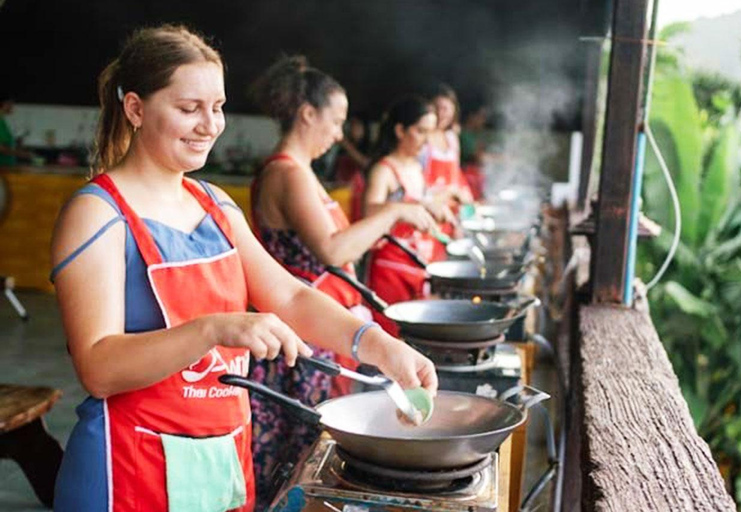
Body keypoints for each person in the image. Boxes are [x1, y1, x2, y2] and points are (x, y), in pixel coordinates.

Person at [50, 27, 437, 512]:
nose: (209, 125)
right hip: (127, 468)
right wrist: (215, 328)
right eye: (189, 108)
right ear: (135, 108)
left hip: (220, 457)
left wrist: (380, 346)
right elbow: (99, 368)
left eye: (218, 107)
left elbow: (291, 297)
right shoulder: (98, 213)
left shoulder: (214, 205)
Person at [248, 55, 437, 511]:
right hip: (297, 339)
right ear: (307, 113)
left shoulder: (302, 171)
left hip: (316, 332)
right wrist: (392, 212)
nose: (338, 134)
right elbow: (333, 250)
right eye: (336, 121)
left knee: (307, 455)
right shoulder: (287, 173)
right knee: (292, 458)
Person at [364, 96, 452, 334]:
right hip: (390, 269)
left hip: (417, 264)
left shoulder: (415, 166)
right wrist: (408, 206)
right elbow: (369, 211)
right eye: (421, 131)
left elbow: (420, 201)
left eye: (430, 132)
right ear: (400, 130)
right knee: (392, 335)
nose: (427, 141)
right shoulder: (384, 169)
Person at [422, 84, 474, 245]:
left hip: (450, 212)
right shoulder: (421, 138)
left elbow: (456, 174)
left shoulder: (452, 138)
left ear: (454, 111)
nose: (441, 113)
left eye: (446, 109)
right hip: (428, 210)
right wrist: (448, 192)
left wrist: (465, 194)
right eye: (437, 108)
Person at [0, 92, 36, 166]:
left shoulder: (3, 121)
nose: (13, 107)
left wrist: (18, 142)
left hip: (7, 166)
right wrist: (23, 154)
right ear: (5, 104)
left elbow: (6, 143)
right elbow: (1, 149)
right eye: (11, 104)